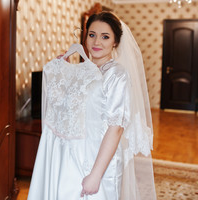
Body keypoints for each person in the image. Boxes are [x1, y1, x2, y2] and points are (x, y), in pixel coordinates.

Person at [27, 11, 156, 199]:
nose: (96, 42)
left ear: (115, 42)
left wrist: (96, 175)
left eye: (105, 37)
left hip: (99, 158)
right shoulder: (82, 70)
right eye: (92, 35)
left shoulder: (117, 75)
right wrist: (63, 75)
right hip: (71, 155)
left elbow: (116, 128)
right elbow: (67, 110)